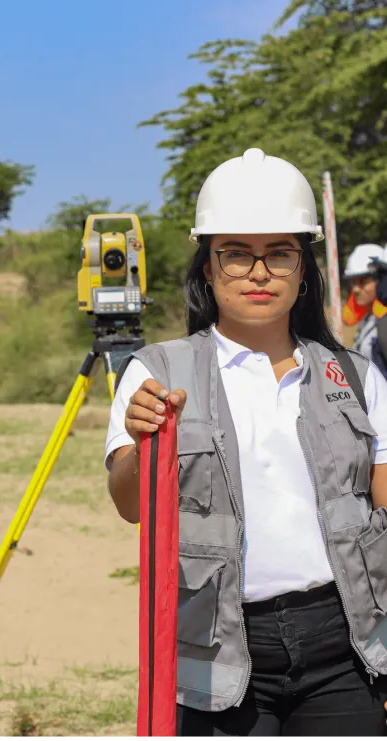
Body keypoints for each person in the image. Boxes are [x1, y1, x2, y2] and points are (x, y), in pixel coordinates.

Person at [105, 148, 387, 740]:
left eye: (279, 253)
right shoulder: (157, 372)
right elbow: (131, 505)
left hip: (346, 647)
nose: (258, 272)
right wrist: (141, 439)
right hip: (218, 653)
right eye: (235, 254)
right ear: (207, 267)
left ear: (303, 269)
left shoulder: (357, 377)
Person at [342, 242, 387, 376]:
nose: (356, 289)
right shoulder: (367, 321)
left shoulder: (384, 323)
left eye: (363, 281)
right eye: (353, 282)